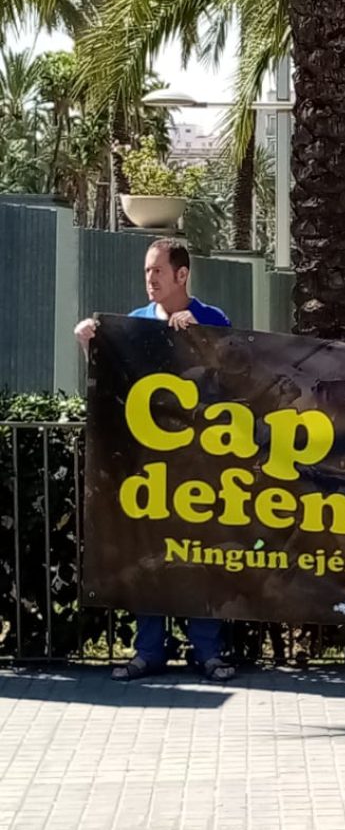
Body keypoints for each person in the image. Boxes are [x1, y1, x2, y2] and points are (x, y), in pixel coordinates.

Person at [75, 237, 236, 682]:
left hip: (197, 465)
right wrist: (89, 345)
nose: (150, 280)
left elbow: (231, 383)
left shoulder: (212, 319)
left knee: (198, 555)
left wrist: (200, 340)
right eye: (147, 271)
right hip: (147, 465)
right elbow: (113, 386)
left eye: (157, 271)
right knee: (146, 554)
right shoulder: (135, 323)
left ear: (182, 275)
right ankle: (148, 650)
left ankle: (206, 651)